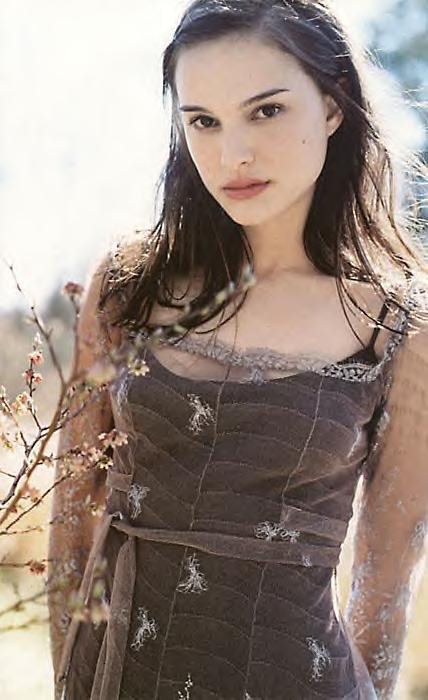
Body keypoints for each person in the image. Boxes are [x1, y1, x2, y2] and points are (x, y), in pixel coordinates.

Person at [47, 1, 428, 698]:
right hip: (122, 673)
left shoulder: (398, 324)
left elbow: (386, 580)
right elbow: (72, 521)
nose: (233, 154)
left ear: (335, 106)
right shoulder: (130, 288)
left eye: (267, 111)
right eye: (204, 121)